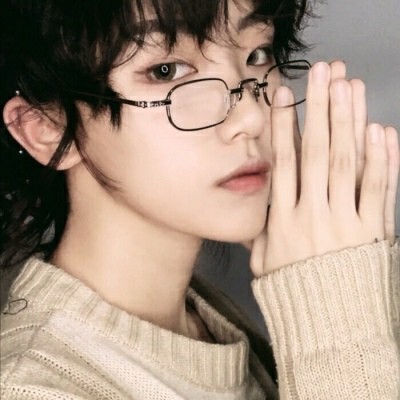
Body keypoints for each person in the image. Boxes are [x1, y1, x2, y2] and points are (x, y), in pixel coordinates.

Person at [0, 0, 399, 398]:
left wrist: (359, 293)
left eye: (258, 55)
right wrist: (336, 328)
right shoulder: (34, 388)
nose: (251, 116)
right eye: (166, 71)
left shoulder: (213, 325)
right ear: (47, 128)